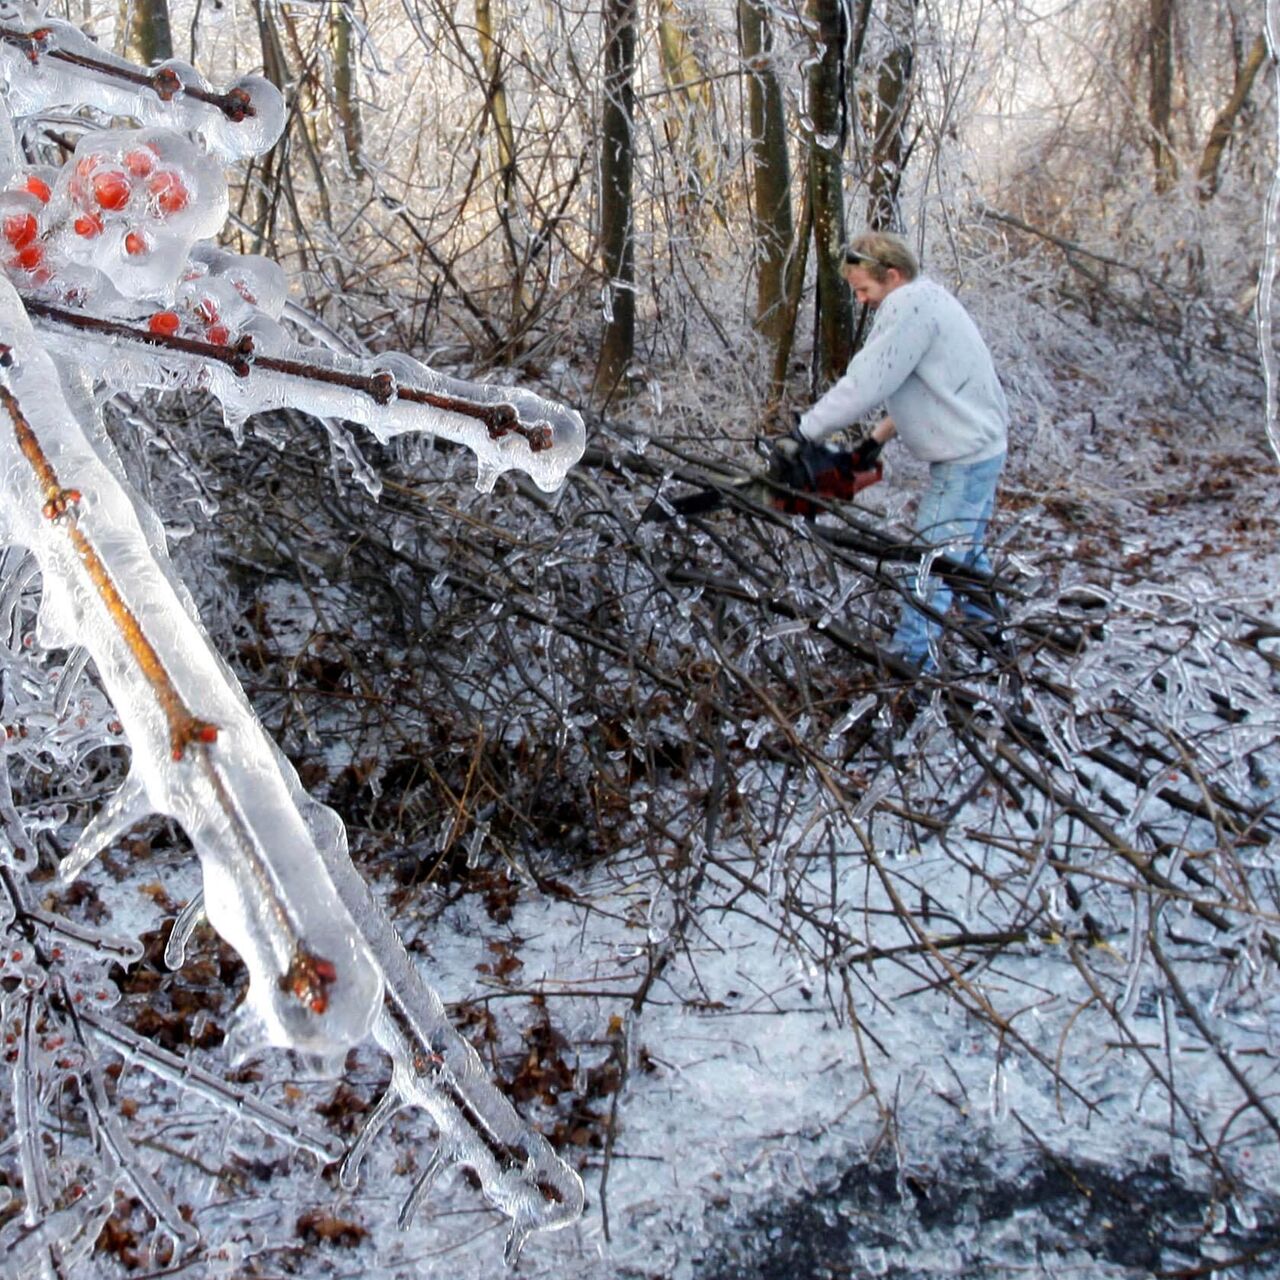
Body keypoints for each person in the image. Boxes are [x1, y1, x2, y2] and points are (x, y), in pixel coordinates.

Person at [782, 230, 1009, 671]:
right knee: (966, 556)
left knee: (929, 563)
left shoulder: (908, 306)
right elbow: (926, 383)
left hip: (962, 461)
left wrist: (805, 430)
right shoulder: (931, 300)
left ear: (892, 275)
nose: (863, 300)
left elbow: (868, 382)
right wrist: (875, 440)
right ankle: (994, 642)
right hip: (983, 448)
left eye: (864, 289)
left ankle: (911, 665)